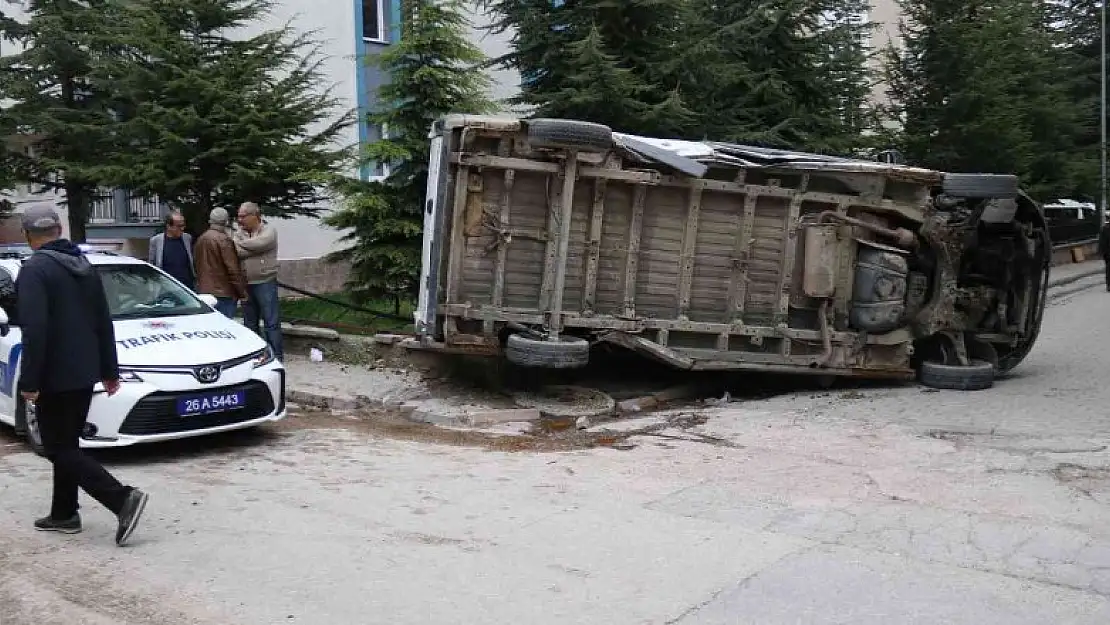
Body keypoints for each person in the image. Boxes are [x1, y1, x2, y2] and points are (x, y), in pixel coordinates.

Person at [15, 206, 149, 546]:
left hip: (54, 375)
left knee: (58, 448)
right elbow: (102, 319)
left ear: (28, 235)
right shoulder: (84, 265)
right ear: (59, 229)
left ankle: (121, 498)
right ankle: (64, 513)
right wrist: (109, 369)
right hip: (84, 372)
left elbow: (35, 330)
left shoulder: (35, 270)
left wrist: (29, 381)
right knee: (67, 444)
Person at [234, 202, 283, 361]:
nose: (239, 220)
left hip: (265, 281)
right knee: (250, 322)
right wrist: (249, 248)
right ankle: (254, 356)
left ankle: (276, 356)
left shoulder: (268, 230)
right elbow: (237, 252)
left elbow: (261, 244)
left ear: (254, 216)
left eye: (243, 216)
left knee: (271, 322)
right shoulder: (239, 232)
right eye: (239, 216)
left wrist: (241, 245)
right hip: (246, 283)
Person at [194, 207, 248, 318]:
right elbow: (232, 269)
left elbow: (196, 264)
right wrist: (241, 292)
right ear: (226, 221)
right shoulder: (224, 240)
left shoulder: (201, 239)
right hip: (224, 292)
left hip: (204, 290)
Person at [148, 210, 196, 290]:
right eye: (179, 226)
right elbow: (152, 264)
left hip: (187, 287)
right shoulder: (156, 241)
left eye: (183, 225)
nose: (182, 229)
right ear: (169, 226)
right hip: (167, 288)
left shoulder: (187, 238)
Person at [1100, 219, 1110, 292]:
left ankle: (1109, 285)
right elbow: (1103, 243)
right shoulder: (1106, 229)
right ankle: (1109, 285)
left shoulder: (1105, 229)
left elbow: (1102, 243)